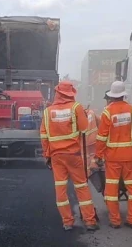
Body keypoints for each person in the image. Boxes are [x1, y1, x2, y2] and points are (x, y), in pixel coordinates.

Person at [40, 80, 99, 232]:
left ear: (57, 93)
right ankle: (90, 221)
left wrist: (47, 155)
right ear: (70, 93)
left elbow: (44, 136)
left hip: (56, 156)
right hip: (73, 155)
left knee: (60, 189)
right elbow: (85, 129)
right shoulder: (76, 107)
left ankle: (67, 222)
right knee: (81, 186)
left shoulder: (48, 112)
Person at [95, 81, 132, 229]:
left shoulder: (107, 112)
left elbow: (101, 137)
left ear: (112, 96)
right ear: (123, 95)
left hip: (112, 158)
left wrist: (98, 156)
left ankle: (115, 221)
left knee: (112, 190)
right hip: (130, 157)